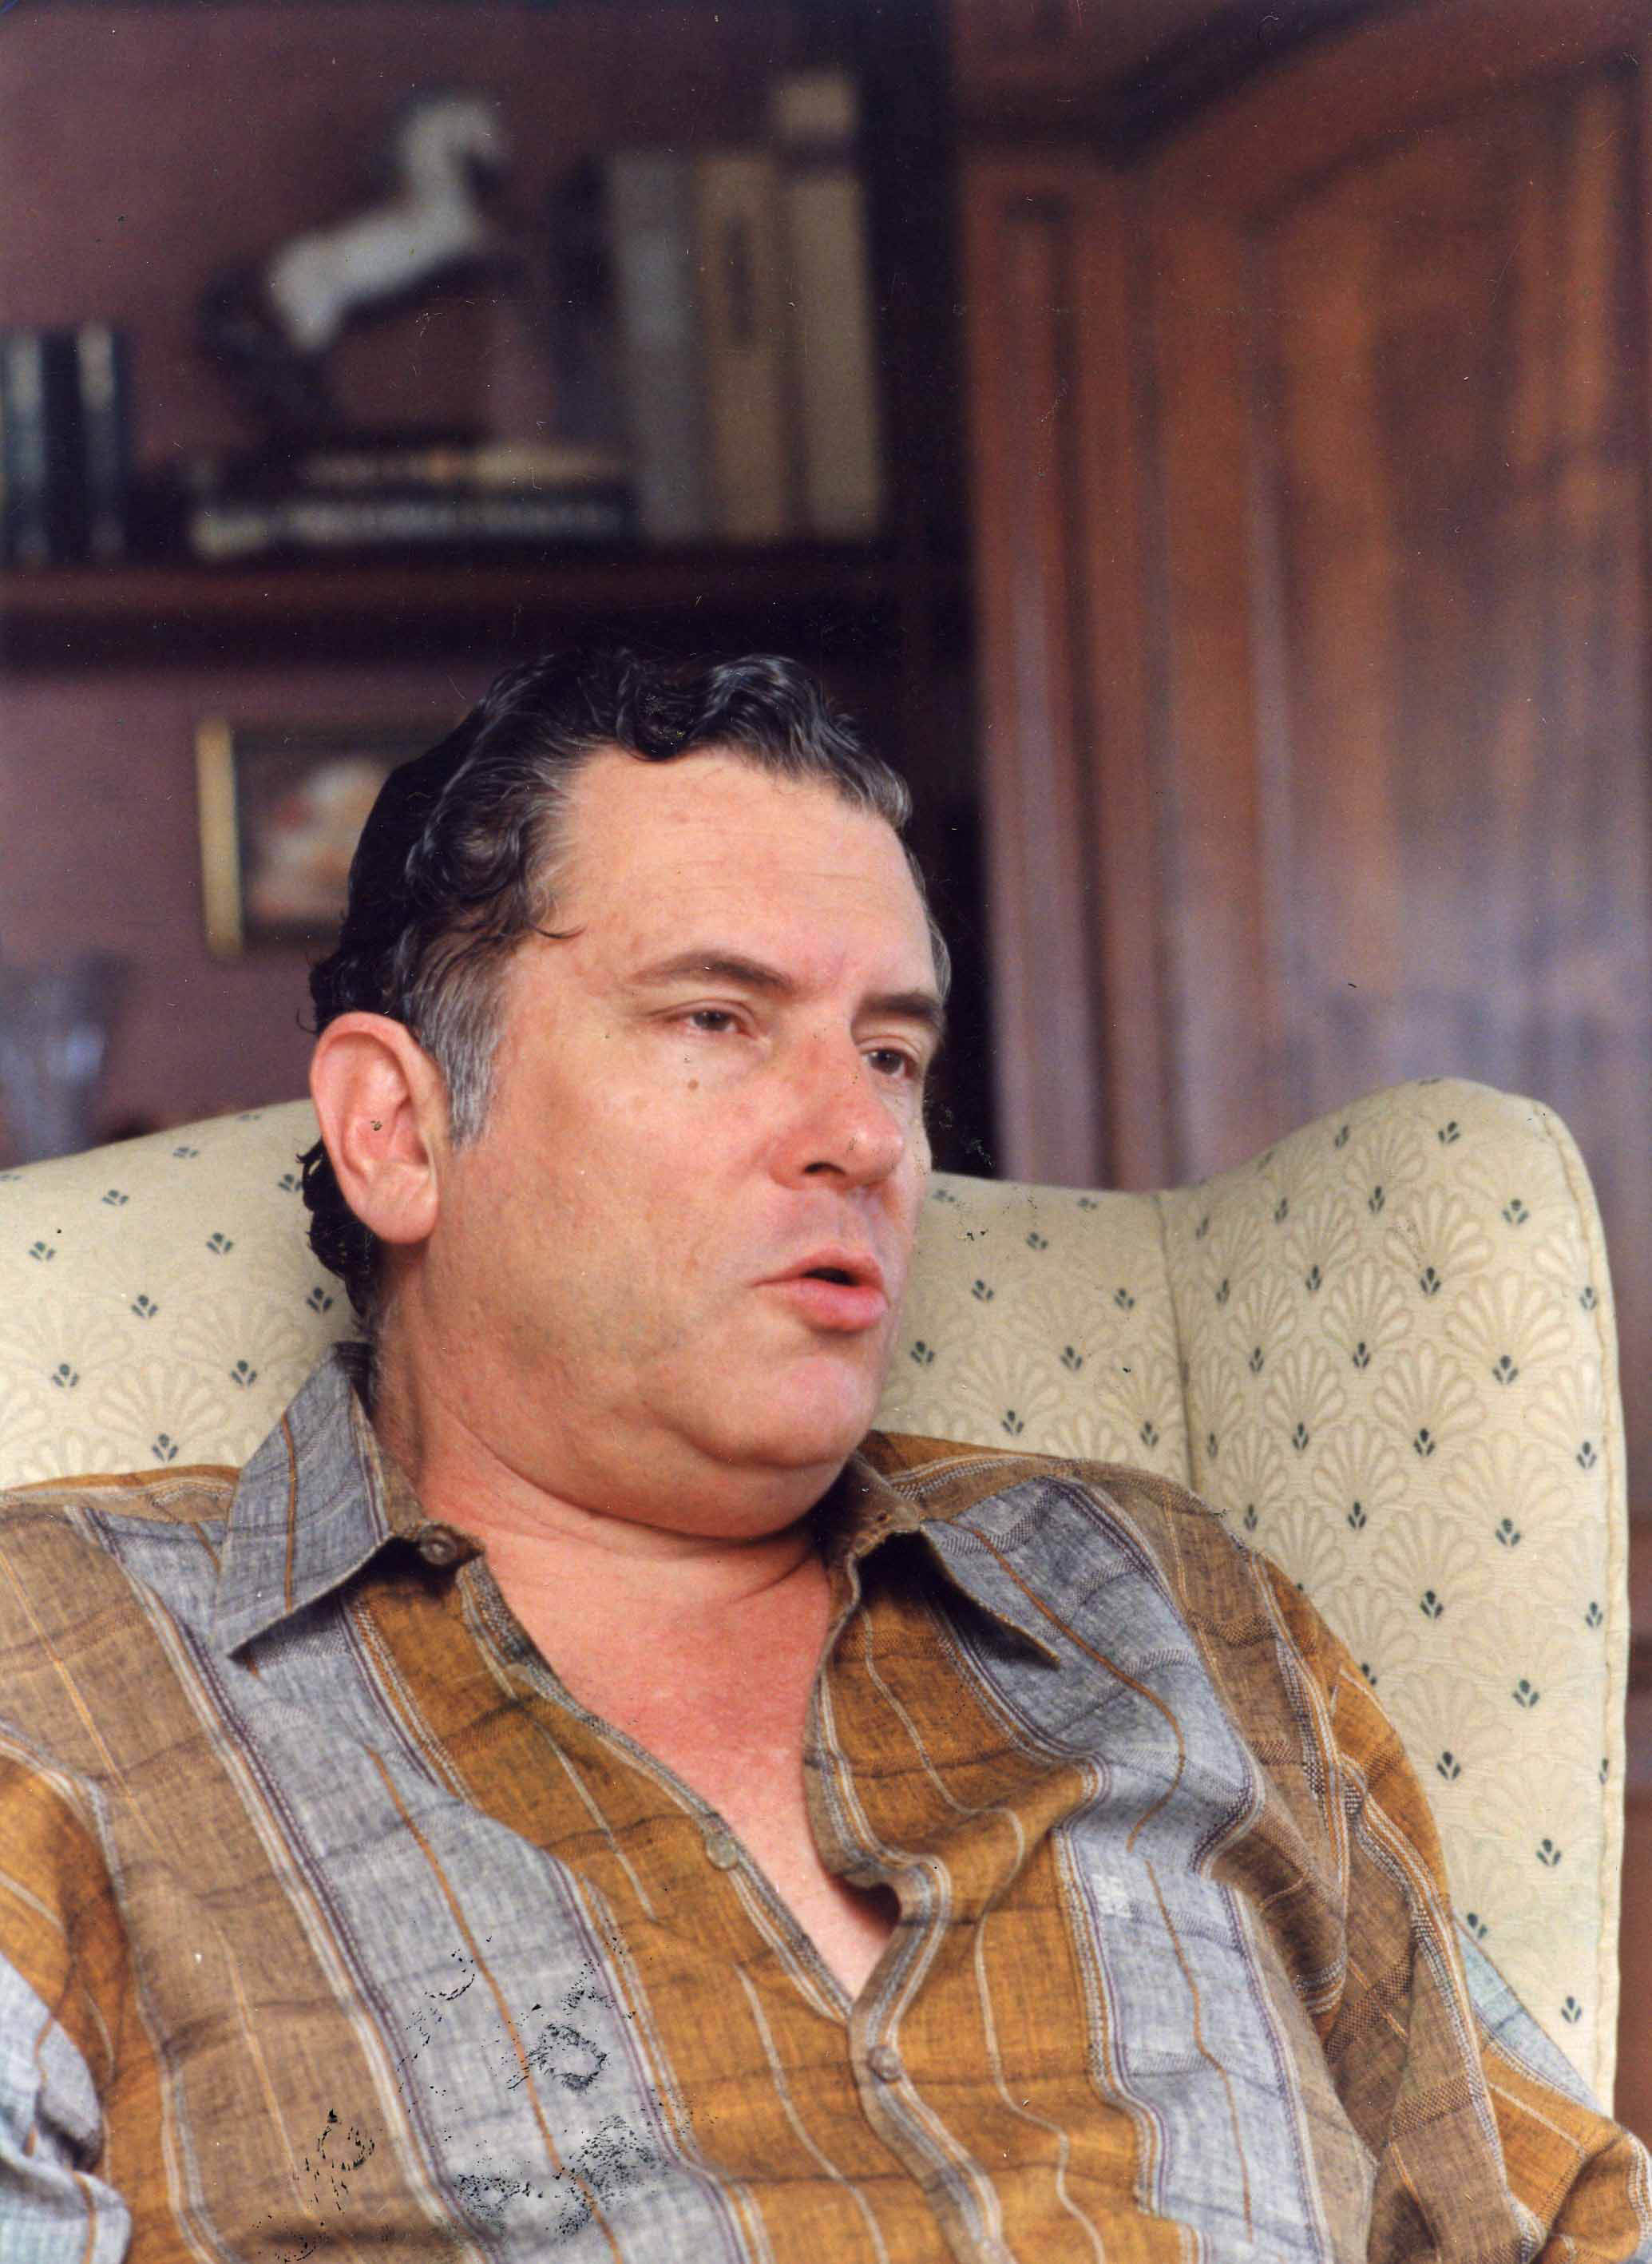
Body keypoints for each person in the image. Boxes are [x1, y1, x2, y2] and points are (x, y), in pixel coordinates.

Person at [1, 648, 1646, 2261]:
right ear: (397, 1130)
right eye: (718, 1018)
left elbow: (1560, 2220)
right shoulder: (57, 1672)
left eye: (891, 1053)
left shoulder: (1166, 1609)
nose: (863, 1135)